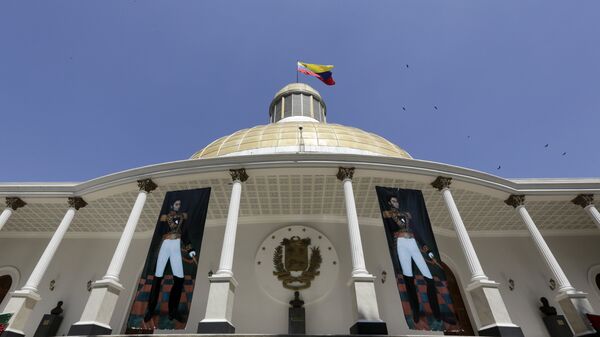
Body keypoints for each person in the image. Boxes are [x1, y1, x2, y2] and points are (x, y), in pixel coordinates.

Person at [382, 195, 451, 328]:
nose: (396, 203)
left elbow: (417, 232)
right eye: (393, 201)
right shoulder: (388, 215)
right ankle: (416, 312)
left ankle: (436, 311)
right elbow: (390, 228)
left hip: (413, 243)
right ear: (389, 203)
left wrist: (427, 249)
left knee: (429, 278)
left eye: (397, 201)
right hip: (401, 244)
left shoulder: (407, 215)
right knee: (409, 278)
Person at [144, 199, 196, 323]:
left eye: (180, 204)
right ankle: (150, 310)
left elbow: (185, 234)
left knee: (179, 279)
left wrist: (190, 249)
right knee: (157, 278)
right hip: (165, 244)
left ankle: (173, 311)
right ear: (172, 205)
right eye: (177, 204)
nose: (179, 206)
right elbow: (158, 233)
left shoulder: (182, 218)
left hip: (176, 245)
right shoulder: (164, 218)